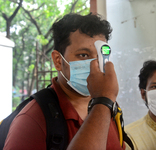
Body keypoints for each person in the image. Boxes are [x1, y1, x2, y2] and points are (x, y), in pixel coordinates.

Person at [3, 13, 125, 150]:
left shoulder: (110, 108)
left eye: (101, 56)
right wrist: (102, 102)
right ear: (58, 61)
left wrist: (104, 102)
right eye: (83, 55)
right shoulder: (33, 120)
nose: (95, 64)